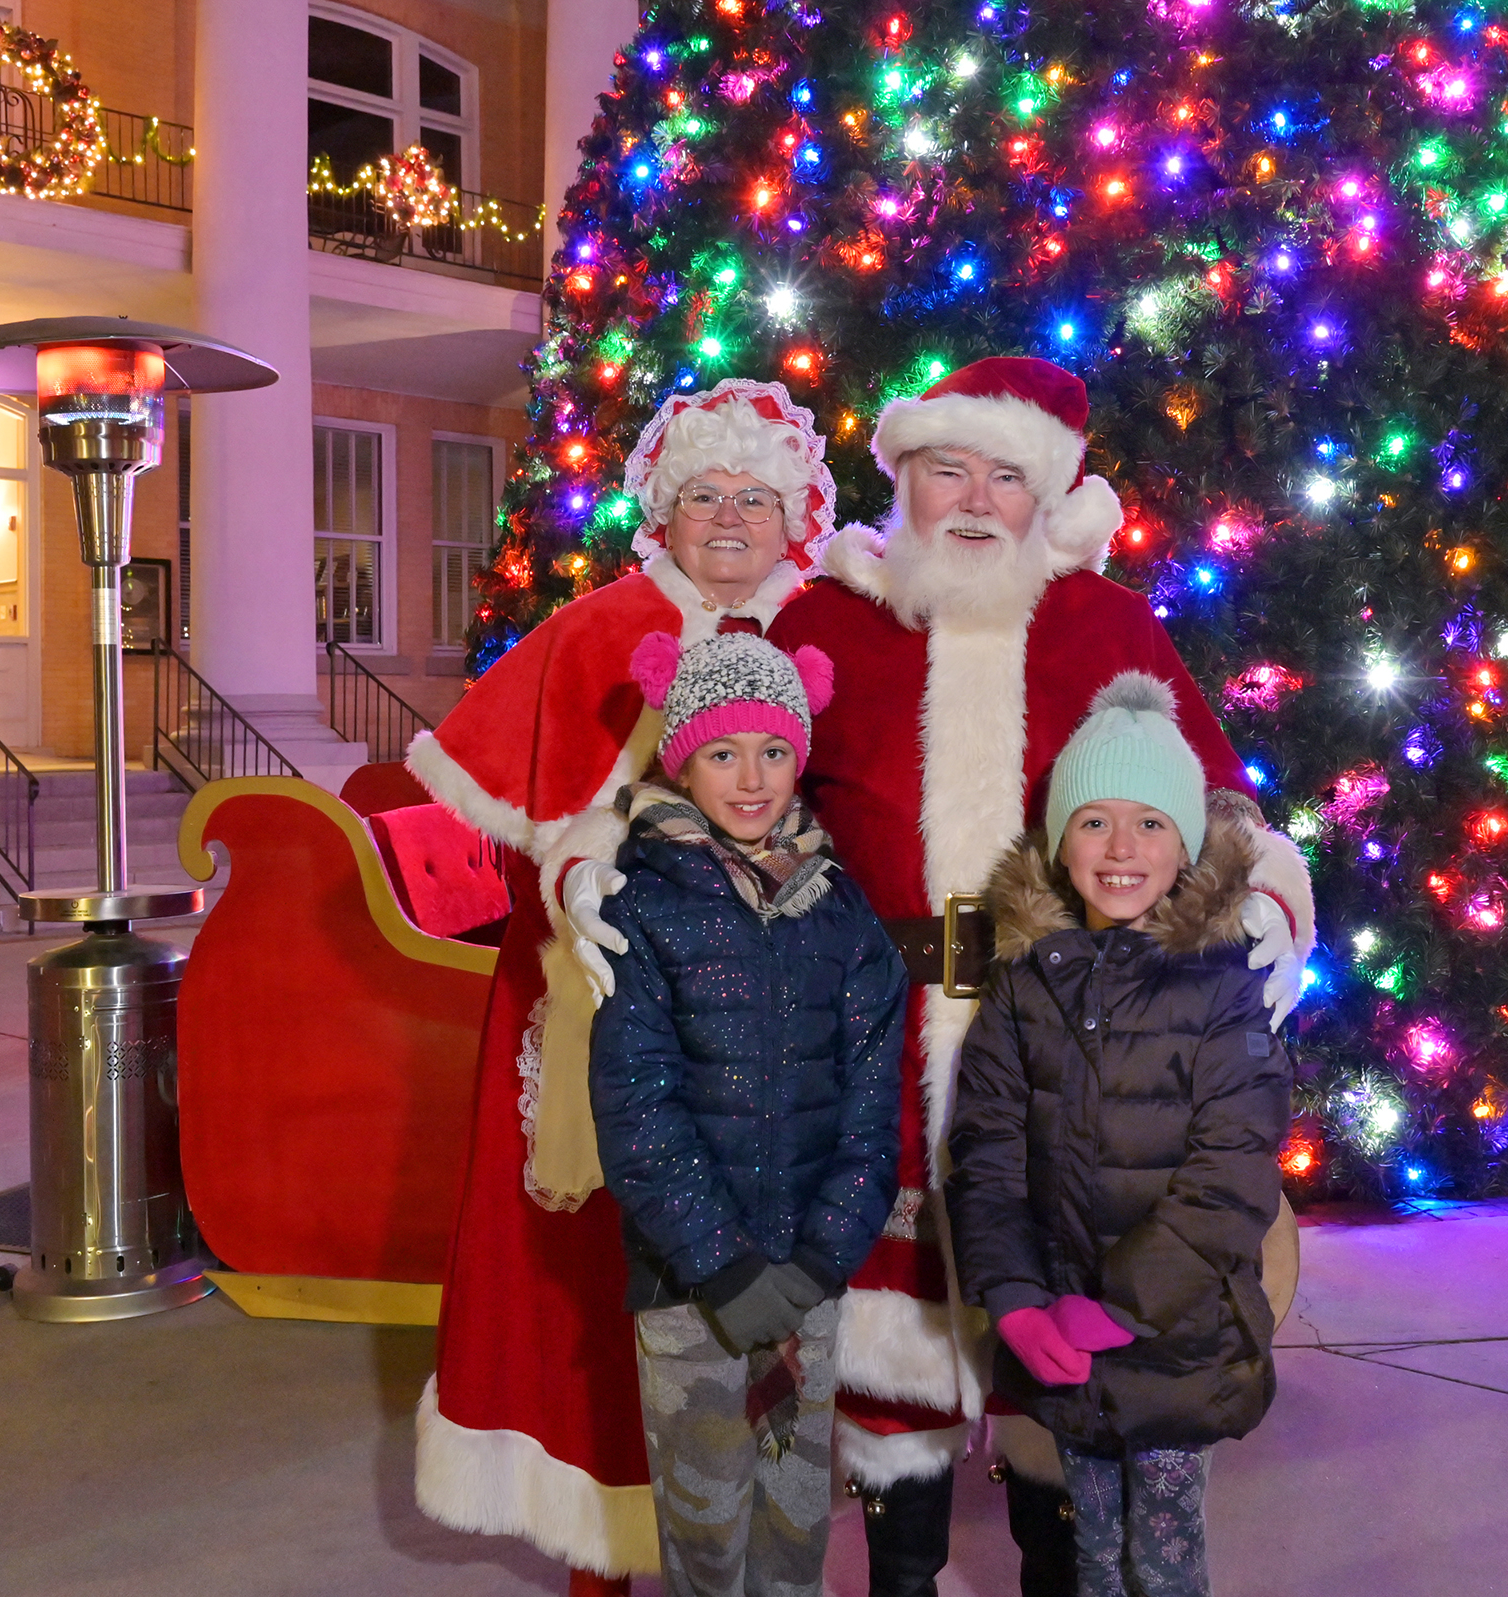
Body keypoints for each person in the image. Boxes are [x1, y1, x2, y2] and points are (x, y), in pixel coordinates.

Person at [763, 356, 1314, 1596]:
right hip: (869, 1038)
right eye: (944, 467)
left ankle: (1056, 1558)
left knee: (1058, 1329)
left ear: (1047, 492)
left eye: (1003, 474)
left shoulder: (1108, 624)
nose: (970, 497)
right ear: (902, 479)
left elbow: (1216, 797)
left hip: (1068, 1038)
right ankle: (902, 1570)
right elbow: (739, 789)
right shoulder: (825, 622)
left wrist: (1270, 893)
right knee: (888, 1344)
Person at [407, 381, 837, 1590]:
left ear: (796, 508)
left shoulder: (832, 627)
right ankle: (602, 1542)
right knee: (597, 1293)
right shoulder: (596, 630)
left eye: (757, 496)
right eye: (705, 496)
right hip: (606, 1013)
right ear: (665, 507)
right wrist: (578, 879)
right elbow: (513, 832)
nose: (731, 519)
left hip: (780, 1026)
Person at [947, 673, 1291, 1597]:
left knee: (1164, 1553)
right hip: (1059, 1333)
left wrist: (1123, 1304)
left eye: (1150, 822)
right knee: (1091, 1551)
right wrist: (1016, 1294)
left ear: (1185, 843)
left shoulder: (1223, 984)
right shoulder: (1026, 985)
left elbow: (1232, 1171)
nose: (1122, 847)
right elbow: (987, 1151)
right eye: (1094, 820)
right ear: (1060, 843)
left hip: (1174, 1338)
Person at [590, 630, 907, 1597]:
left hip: (805, 1284)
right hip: (694, 1289)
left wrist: (817, 1261)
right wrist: (724, 1266)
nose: (751, 778)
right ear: (682, 760)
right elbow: (639, 1106)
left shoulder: (841, 912)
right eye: (724, 753)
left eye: (774, 751)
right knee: (707, 1530)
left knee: (793, 1527)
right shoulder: (640, 906)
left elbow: (869, 1110)